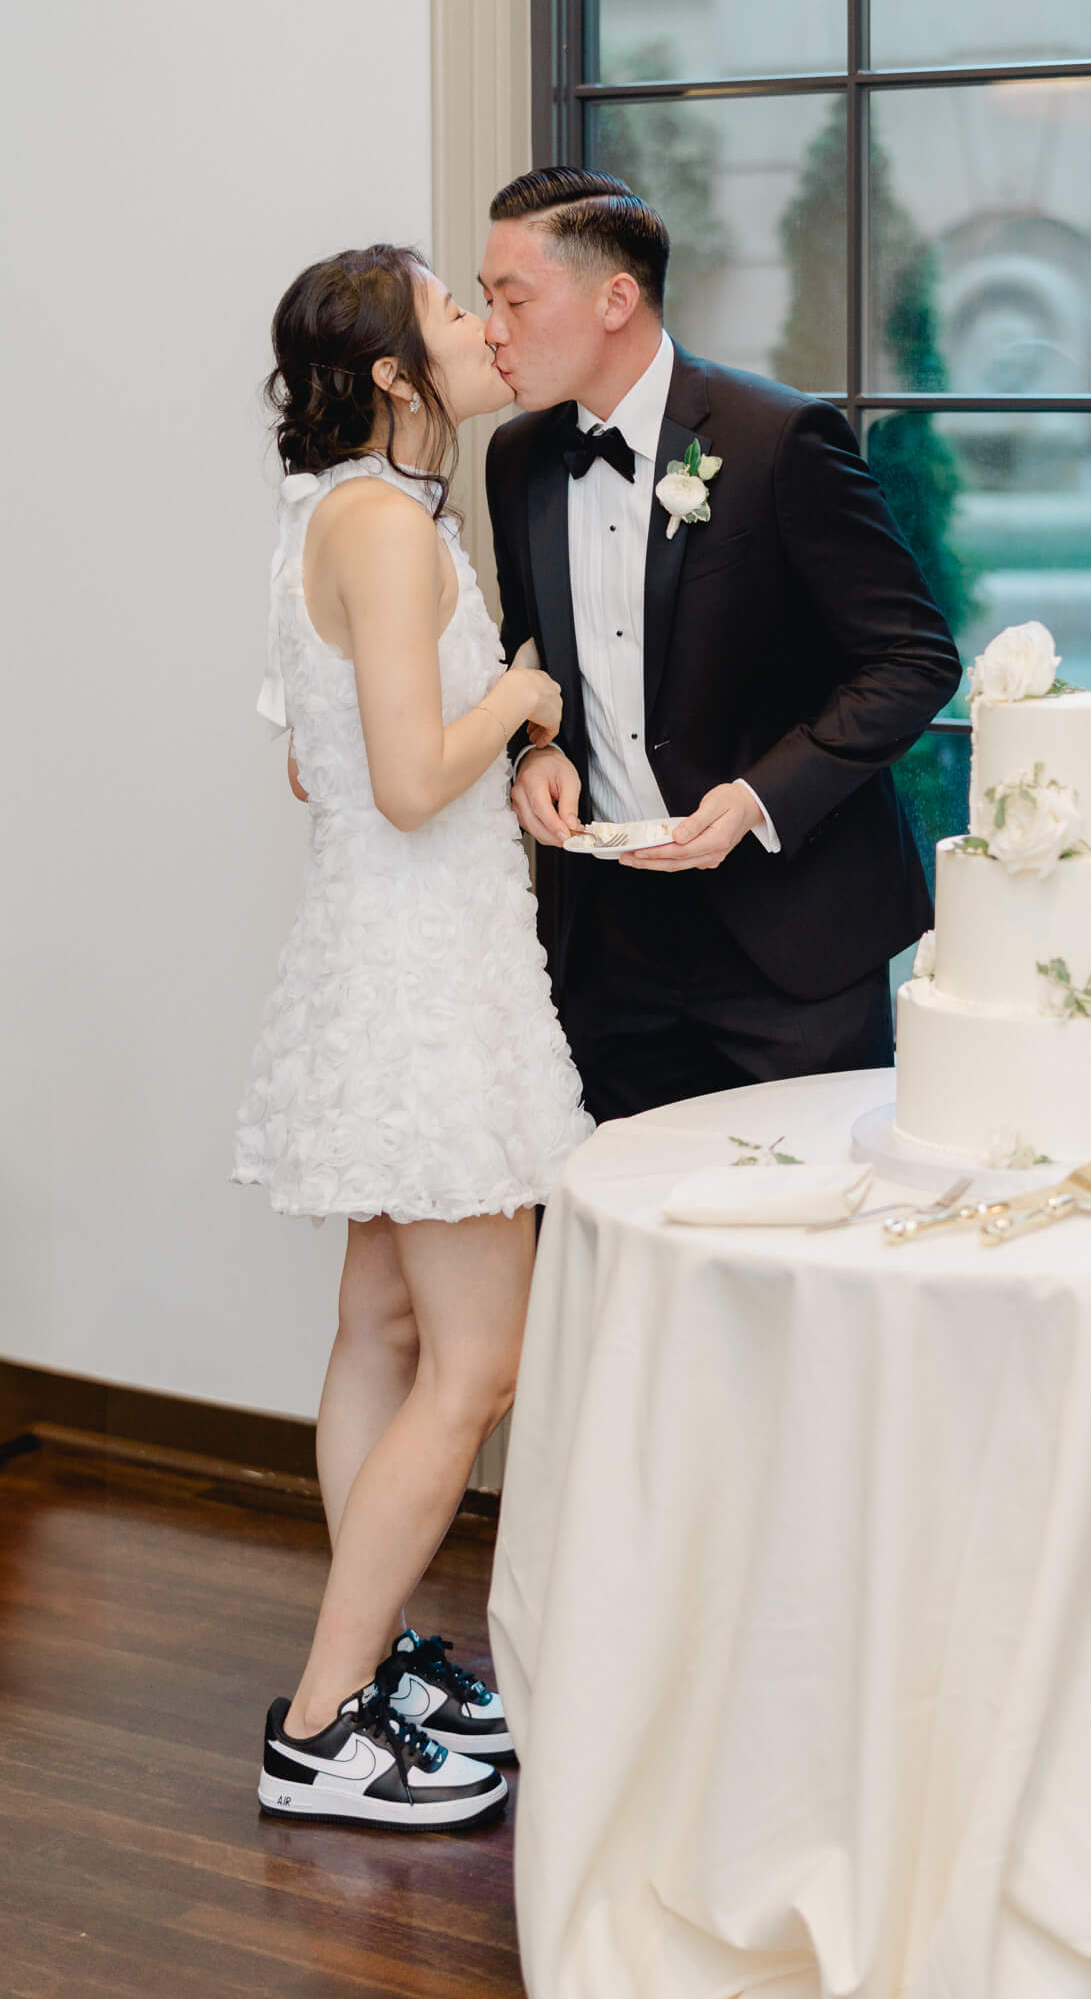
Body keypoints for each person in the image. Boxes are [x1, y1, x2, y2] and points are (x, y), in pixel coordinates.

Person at [232, 244, 592, 1830]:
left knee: (383, 1337)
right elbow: (394, 779)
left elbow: (315, 771)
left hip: (385, 956)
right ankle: (319, 1725)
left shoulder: (334, 515)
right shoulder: (386, 527)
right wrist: (515, 700)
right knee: (480, 1362)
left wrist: (476, 713)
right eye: (458, 312)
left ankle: (366, 1674)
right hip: (425, 983)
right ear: (395, 373)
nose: (484, 329)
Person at [480, 167, 962, 1125]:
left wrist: (753, 800)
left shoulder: (780, 438)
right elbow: (526, 652)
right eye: (486, 300)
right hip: (608, 943)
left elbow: (912, 659)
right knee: (637, 1234)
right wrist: (533, 748)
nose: (491, 328)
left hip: (792, 938)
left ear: (616, 298)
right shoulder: (518, 456)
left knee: (809, 1234)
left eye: (514, 299)